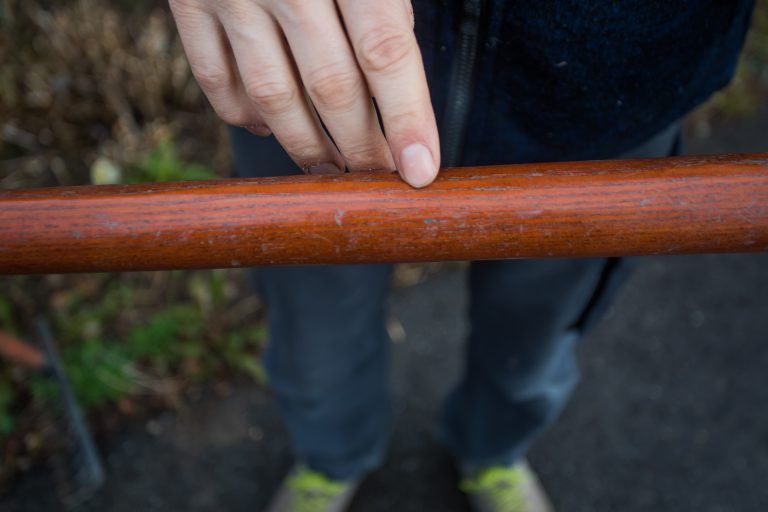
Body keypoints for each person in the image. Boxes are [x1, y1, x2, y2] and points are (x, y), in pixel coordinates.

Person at [169, 1, 756, 511]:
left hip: (613, 95)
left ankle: (494, 453)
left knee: (533, 346)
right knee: (316, 345)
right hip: (313, 83)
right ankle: (331, 458)